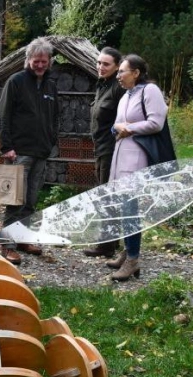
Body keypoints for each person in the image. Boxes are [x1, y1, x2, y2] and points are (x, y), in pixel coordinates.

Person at [107, 54, 168, 281]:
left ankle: (133, 260)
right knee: (125, 207)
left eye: (122, 71)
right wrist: (118, 128)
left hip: (138, 157)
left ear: (136, 73)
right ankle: (127, 251)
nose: (119, 75)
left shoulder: (149, 91)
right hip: (121, 155)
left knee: (131, 207)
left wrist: (129, 128)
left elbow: (156, 123)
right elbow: (115, 125)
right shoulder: (125, 96)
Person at [0, 37, 59, 263]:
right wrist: (7, 146)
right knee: (15, 200)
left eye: (44, 61)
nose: (40, 65)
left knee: (31, 200)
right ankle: (7, 245)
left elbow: (55, 116)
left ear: (49, 61)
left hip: (41, 151)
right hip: (19, 151)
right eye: (36, 61)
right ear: (28, 60)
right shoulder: (16, 82)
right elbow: (3, 115)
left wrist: (51, 140)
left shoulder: (51, 85)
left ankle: (23, 238)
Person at [83, 47, 125, 258]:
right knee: (103, 193)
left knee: (107, 195)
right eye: (99, 63)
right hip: (99, 147)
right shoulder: (102, 86)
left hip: (111, 148)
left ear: (117, 66)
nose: (100, 67)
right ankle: (109, 242)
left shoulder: (119, 88)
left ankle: (107, 244)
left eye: (106, 64)